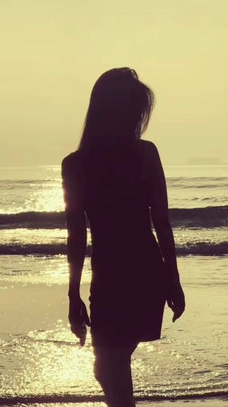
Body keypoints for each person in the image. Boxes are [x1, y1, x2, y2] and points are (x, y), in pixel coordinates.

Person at [62, 68, 185, 407]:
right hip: (132, 273)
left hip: (122, 274)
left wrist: (73, 296)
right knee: (109, 367)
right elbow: (161, 222)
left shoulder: (78, 164)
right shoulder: (142, 155)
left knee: (109, 366)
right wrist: (172, 280)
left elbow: (78, 236)